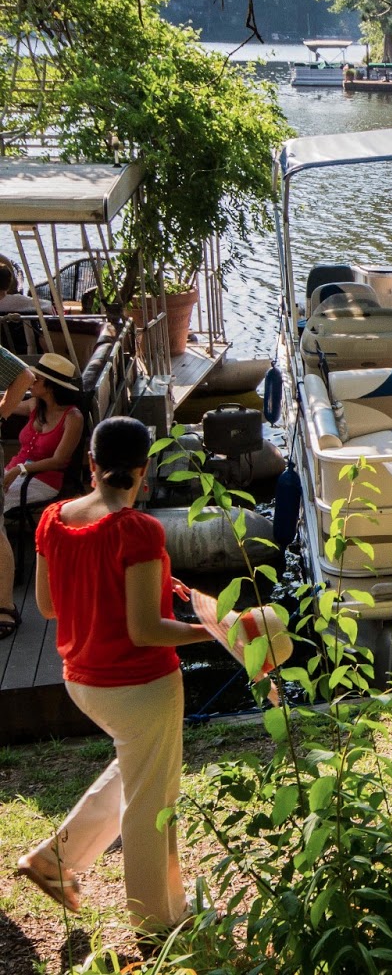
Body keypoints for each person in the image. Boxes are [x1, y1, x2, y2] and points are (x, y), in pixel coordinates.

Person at [16, 417, 211, 936]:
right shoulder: (138, 529)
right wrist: (212, 631)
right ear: (144, 471)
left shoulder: (53, 519)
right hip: (139, 686)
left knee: (138, 769)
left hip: (82, 681)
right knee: (154, 798)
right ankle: (158, 921)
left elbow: (48, 605)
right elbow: (146, 631)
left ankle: (55, 861)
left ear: (91, 464)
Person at [0, 353, 84, 641]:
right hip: (15, 474)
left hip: (42, 481)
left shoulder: (73, 417)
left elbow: (60, 461)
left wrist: (20, 469)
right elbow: (6, 403)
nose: (31, 382)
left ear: (49, 386)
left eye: (36, 380)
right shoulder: (35, 408)